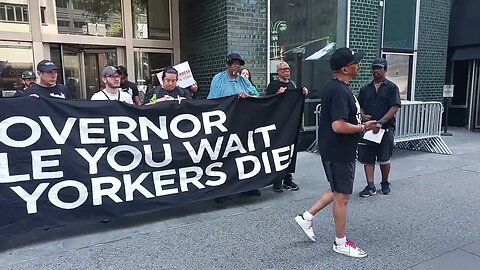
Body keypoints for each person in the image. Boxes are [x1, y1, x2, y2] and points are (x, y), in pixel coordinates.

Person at [294, 47, 379, 258]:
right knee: (342, 196)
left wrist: (363, 120)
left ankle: (307, 216)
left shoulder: (339, 87)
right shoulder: (339, 91)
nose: (358, 65)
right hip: (339, 151)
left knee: (336, 189)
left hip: (336, 150)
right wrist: (363, 128)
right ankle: (340, 243)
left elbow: (344, 119)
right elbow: (338, 126)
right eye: (355, 63)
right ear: (345, 68)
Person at [208, 52, 260, 203]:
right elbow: (213, 101)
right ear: (228, 64)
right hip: (224, 124)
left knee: (244, 153)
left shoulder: (243, 81)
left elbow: (256, 95)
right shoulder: (218, 79)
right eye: (234, 63)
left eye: (239, 63)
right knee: (224, 155)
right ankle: (221, 190)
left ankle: (246, 186)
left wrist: (248, 97)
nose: (236, 66)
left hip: (242, 123)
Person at [357, 58, 401, 197]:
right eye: (374, 68)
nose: (376, 70)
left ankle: (385, 182)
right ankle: (370, 185)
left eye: (379, 68)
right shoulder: (365, 89)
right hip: (368, 129)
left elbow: (395, 107)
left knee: (384, 158)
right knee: (367, 158)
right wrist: (363, 116)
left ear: (385, 70)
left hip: (385, 128)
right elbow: (360, 106)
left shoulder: (392, 88)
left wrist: (381, 122)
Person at [266, 61, 308, 193]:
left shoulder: (292, 85)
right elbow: (267, 102)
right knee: (279, 151)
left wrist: (303, 93)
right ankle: (277, 180)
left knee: (291, 151)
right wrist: (277, 94)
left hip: (293, 123)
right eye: (283, 69)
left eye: (288, 69)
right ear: (278, 72)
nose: (287, 71)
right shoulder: (273, 85)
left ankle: (288, 178)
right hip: (279, 124)